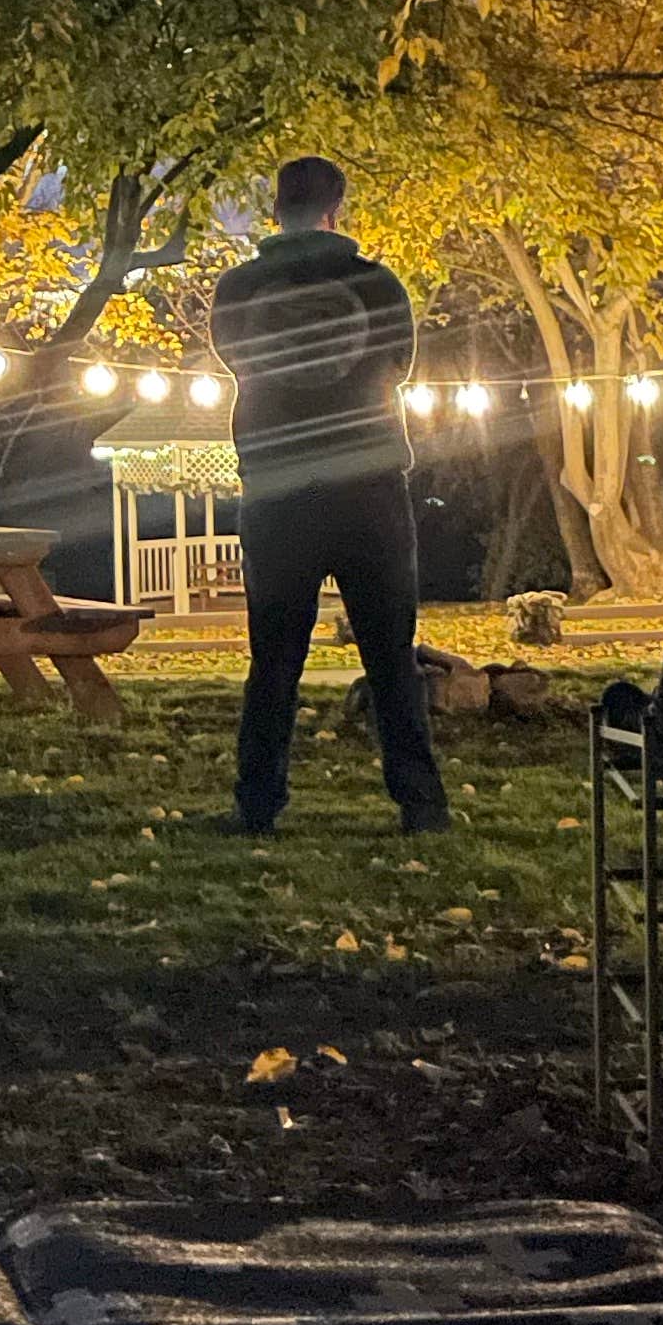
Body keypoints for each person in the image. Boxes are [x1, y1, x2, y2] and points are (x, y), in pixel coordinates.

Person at [208, 155, 449, 833]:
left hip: (279, 490)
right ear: (335, 210)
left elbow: (236, 359)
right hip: (369, 486)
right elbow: (399, 368)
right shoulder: (377, 285)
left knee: (275, 659)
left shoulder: (239, 289)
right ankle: (421, 806)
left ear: (274, 209)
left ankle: (257, 806)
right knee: (391, 657)